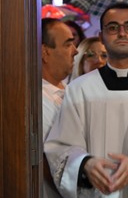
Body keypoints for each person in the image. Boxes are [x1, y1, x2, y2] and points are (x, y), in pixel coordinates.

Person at [44, 3, 128, 198]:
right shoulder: (79, 89)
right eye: (112, 28)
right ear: (101, 37)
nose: (121, 33)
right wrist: (84, 164)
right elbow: (60, 147)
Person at [41, 18, 78, 198]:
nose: (76, 51)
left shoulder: (72, 90)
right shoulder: (37, 99)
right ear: (45, 52)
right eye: (68, 44)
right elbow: (48, 162)